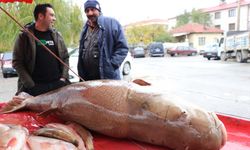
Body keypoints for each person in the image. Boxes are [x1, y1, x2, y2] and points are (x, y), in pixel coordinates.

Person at [13, 3, 69, 96]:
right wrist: (30, 85)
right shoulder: (24, 36)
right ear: (40, 16)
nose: (54, 18)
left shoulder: (57, 35)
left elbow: (65, 58)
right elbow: (17, 62)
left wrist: (63, 78)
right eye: (51, 15)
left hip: (58, 86)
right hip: (35, 89)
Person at [78, 0, 129, 81]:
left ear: (99, 10)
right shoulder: (85, 28)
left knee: (110, 94)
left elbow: (123, 48)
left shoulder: (112, 23)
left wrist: (111, 65)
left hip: (107, 78)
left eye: (93, 9)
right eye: (87, 11)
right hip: (89, 79)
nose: (90, 13)